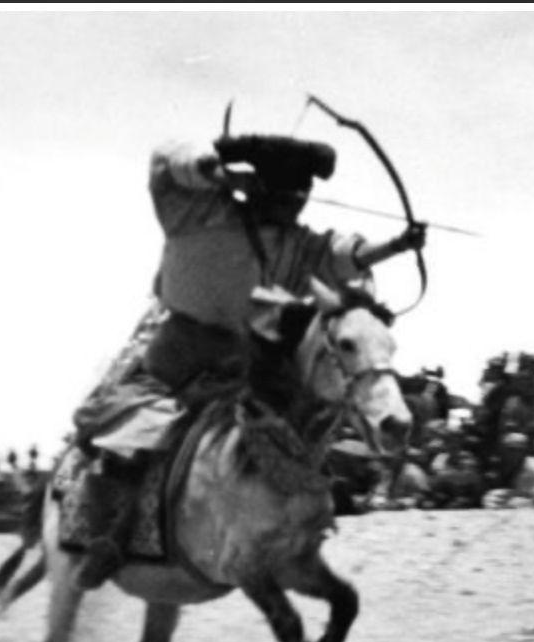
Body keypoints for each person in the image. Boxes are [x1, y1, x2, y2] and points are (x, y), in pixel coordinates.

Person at [68, 132, 427, 589]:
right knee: (132, 433)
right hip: (175, 350)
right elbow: (163, 163)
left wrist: (396, 246)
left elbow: (342, 255)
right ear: (256, 186)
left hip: (244, 359)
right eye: (283, 194)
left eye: (300, 197)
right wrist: (213, 170)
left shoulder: (298, 245)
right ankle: (108, 536)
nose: (293, 207)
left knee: (291, 426)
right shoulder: (199, 211)